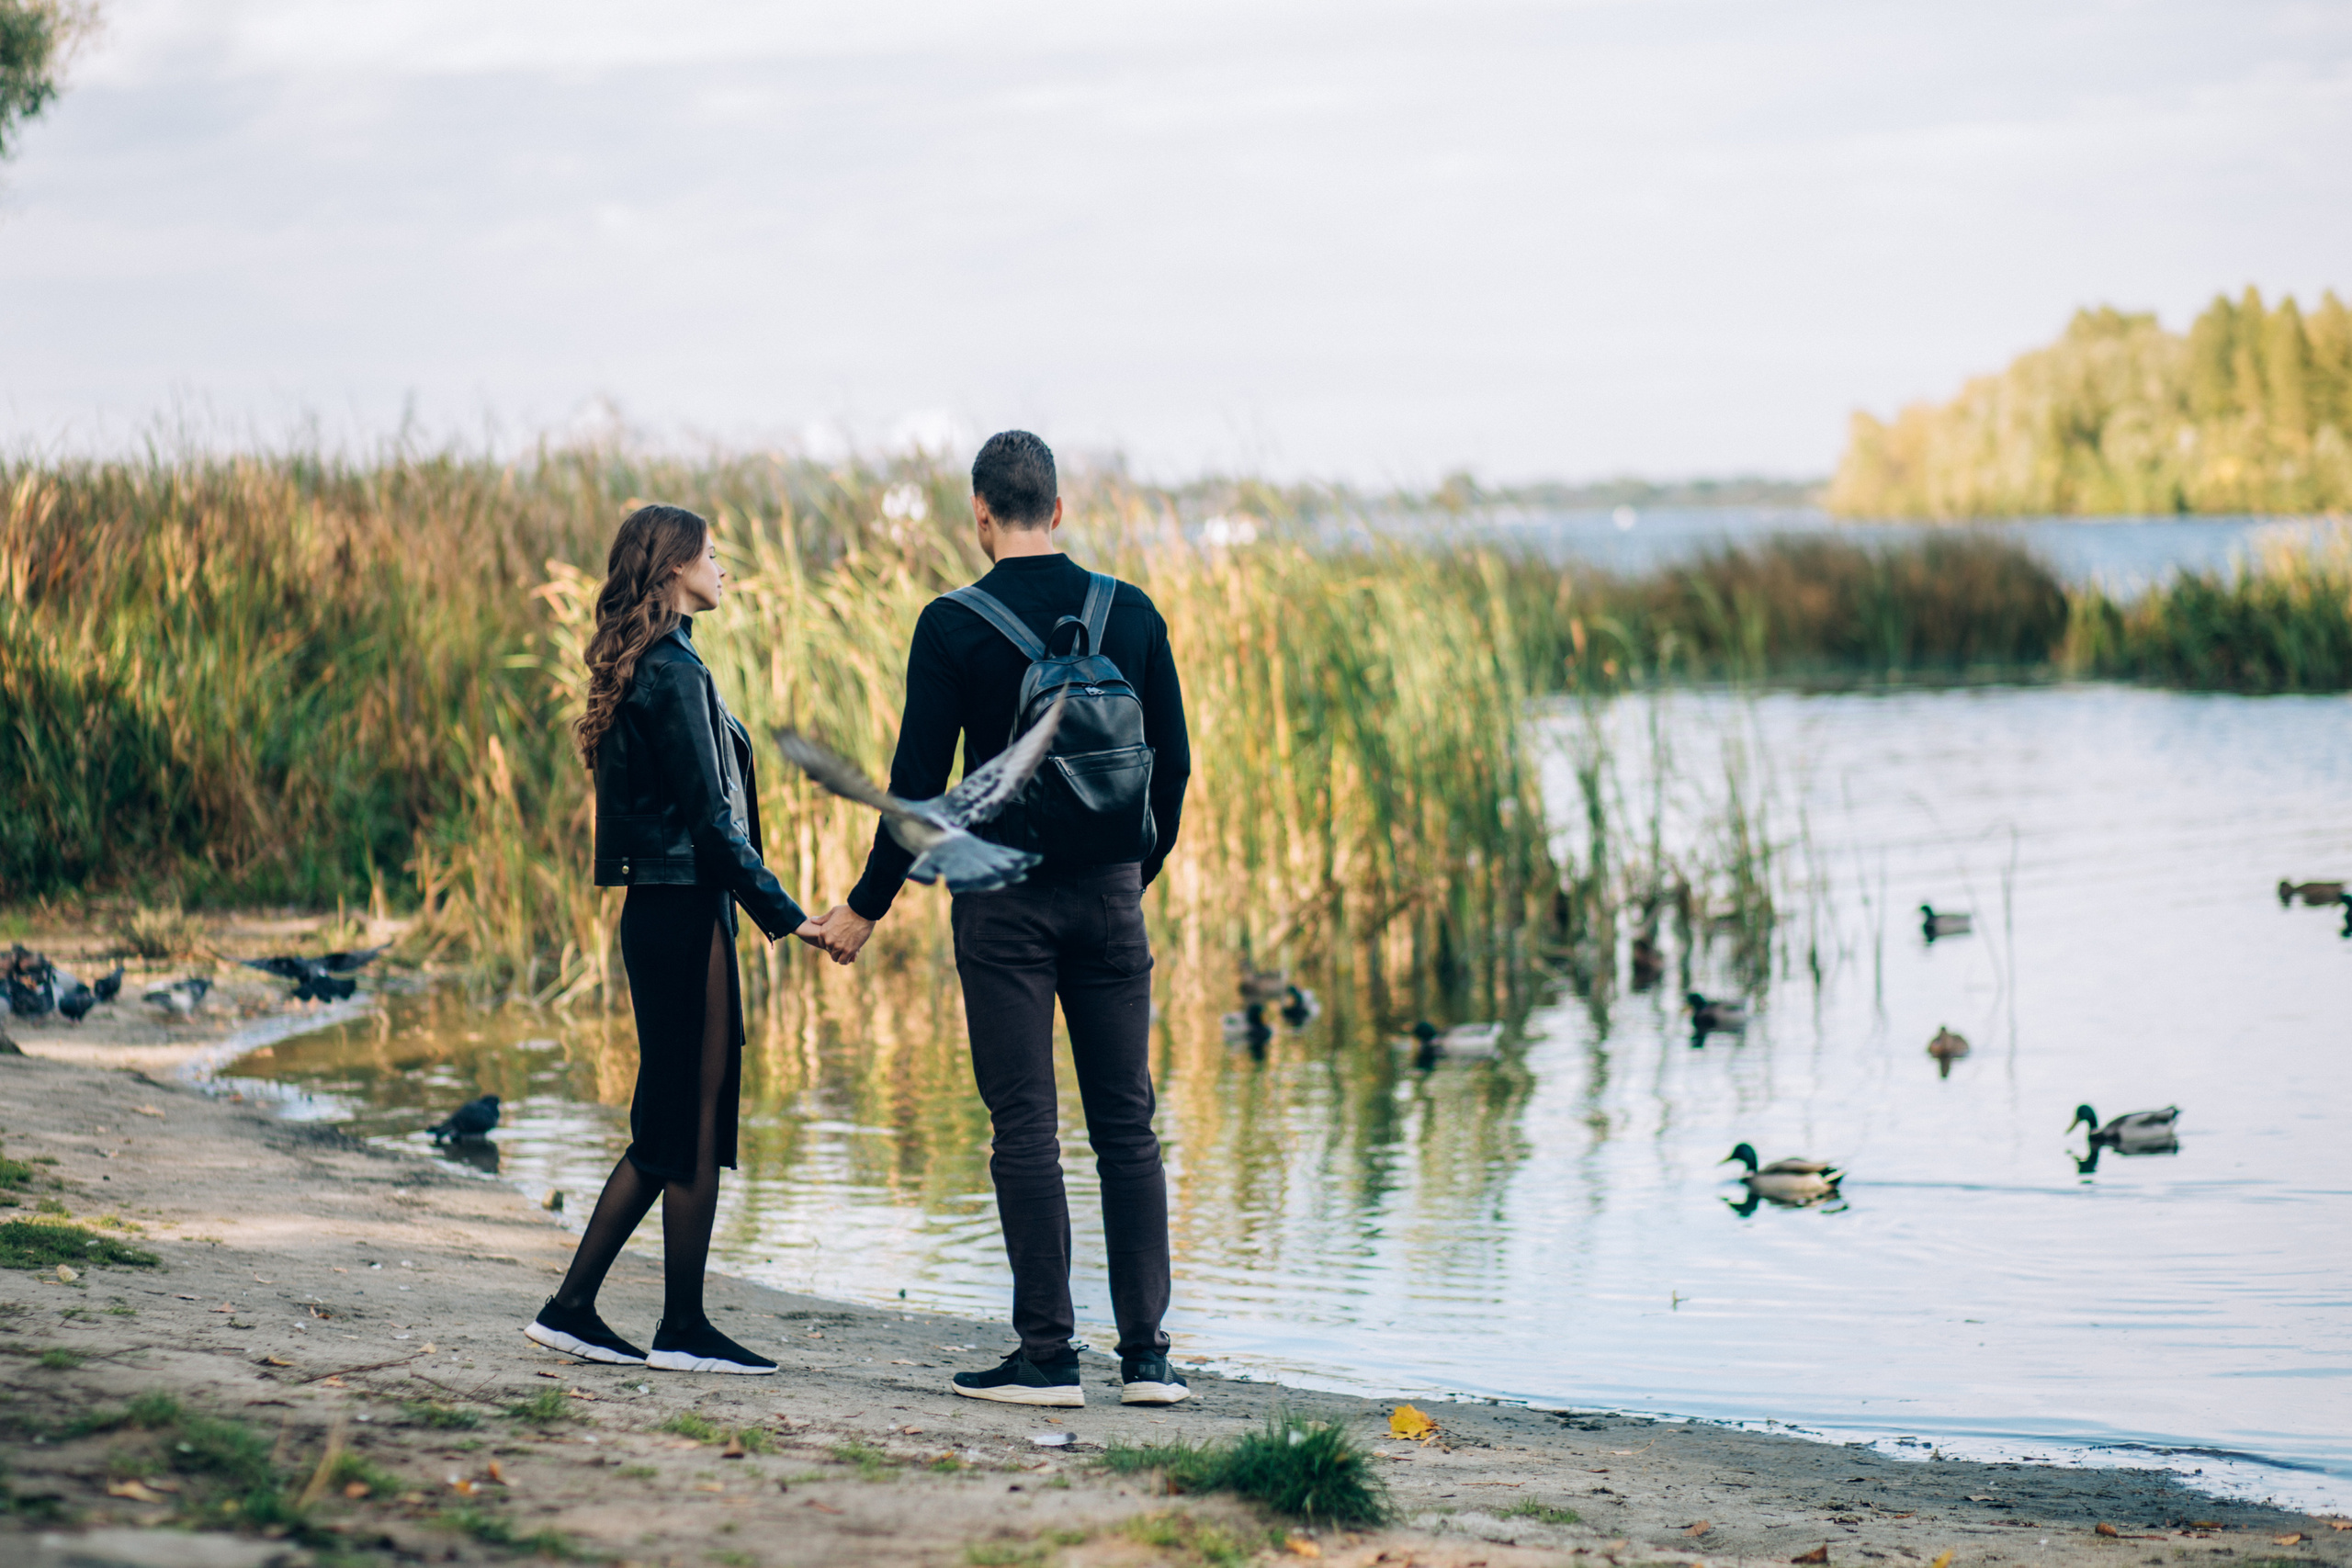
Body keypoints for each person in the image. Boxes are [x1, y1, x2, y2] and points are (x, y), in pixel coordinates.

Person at [812, 431, 1193, 1407]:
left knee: (1025, 1125)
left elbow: (914, 794)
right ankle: (1147, 1361)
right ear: (1057, 509)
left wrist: (863, 909)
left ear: (980, 514)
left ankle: (1048, 1359)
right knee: (1128, 1127)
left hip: (1004, 910)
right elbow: (1173, 771)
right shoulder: (1134, 613)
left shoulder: (951, 624)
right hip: (1113, 898)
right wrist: (1125, 880)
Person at [524, 503, 830, 1374]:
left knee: (692, 1120)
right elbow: (710, 821)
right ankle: (582, 1308)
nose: (722, 565)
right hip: (681, 912)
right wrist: (788, 913)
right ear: (671, 569)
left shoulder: (664, 665)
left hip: (679, 912)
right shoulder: (673, 671)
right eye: (709, 552)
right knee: (672, 1124)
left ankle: (673, 1324)